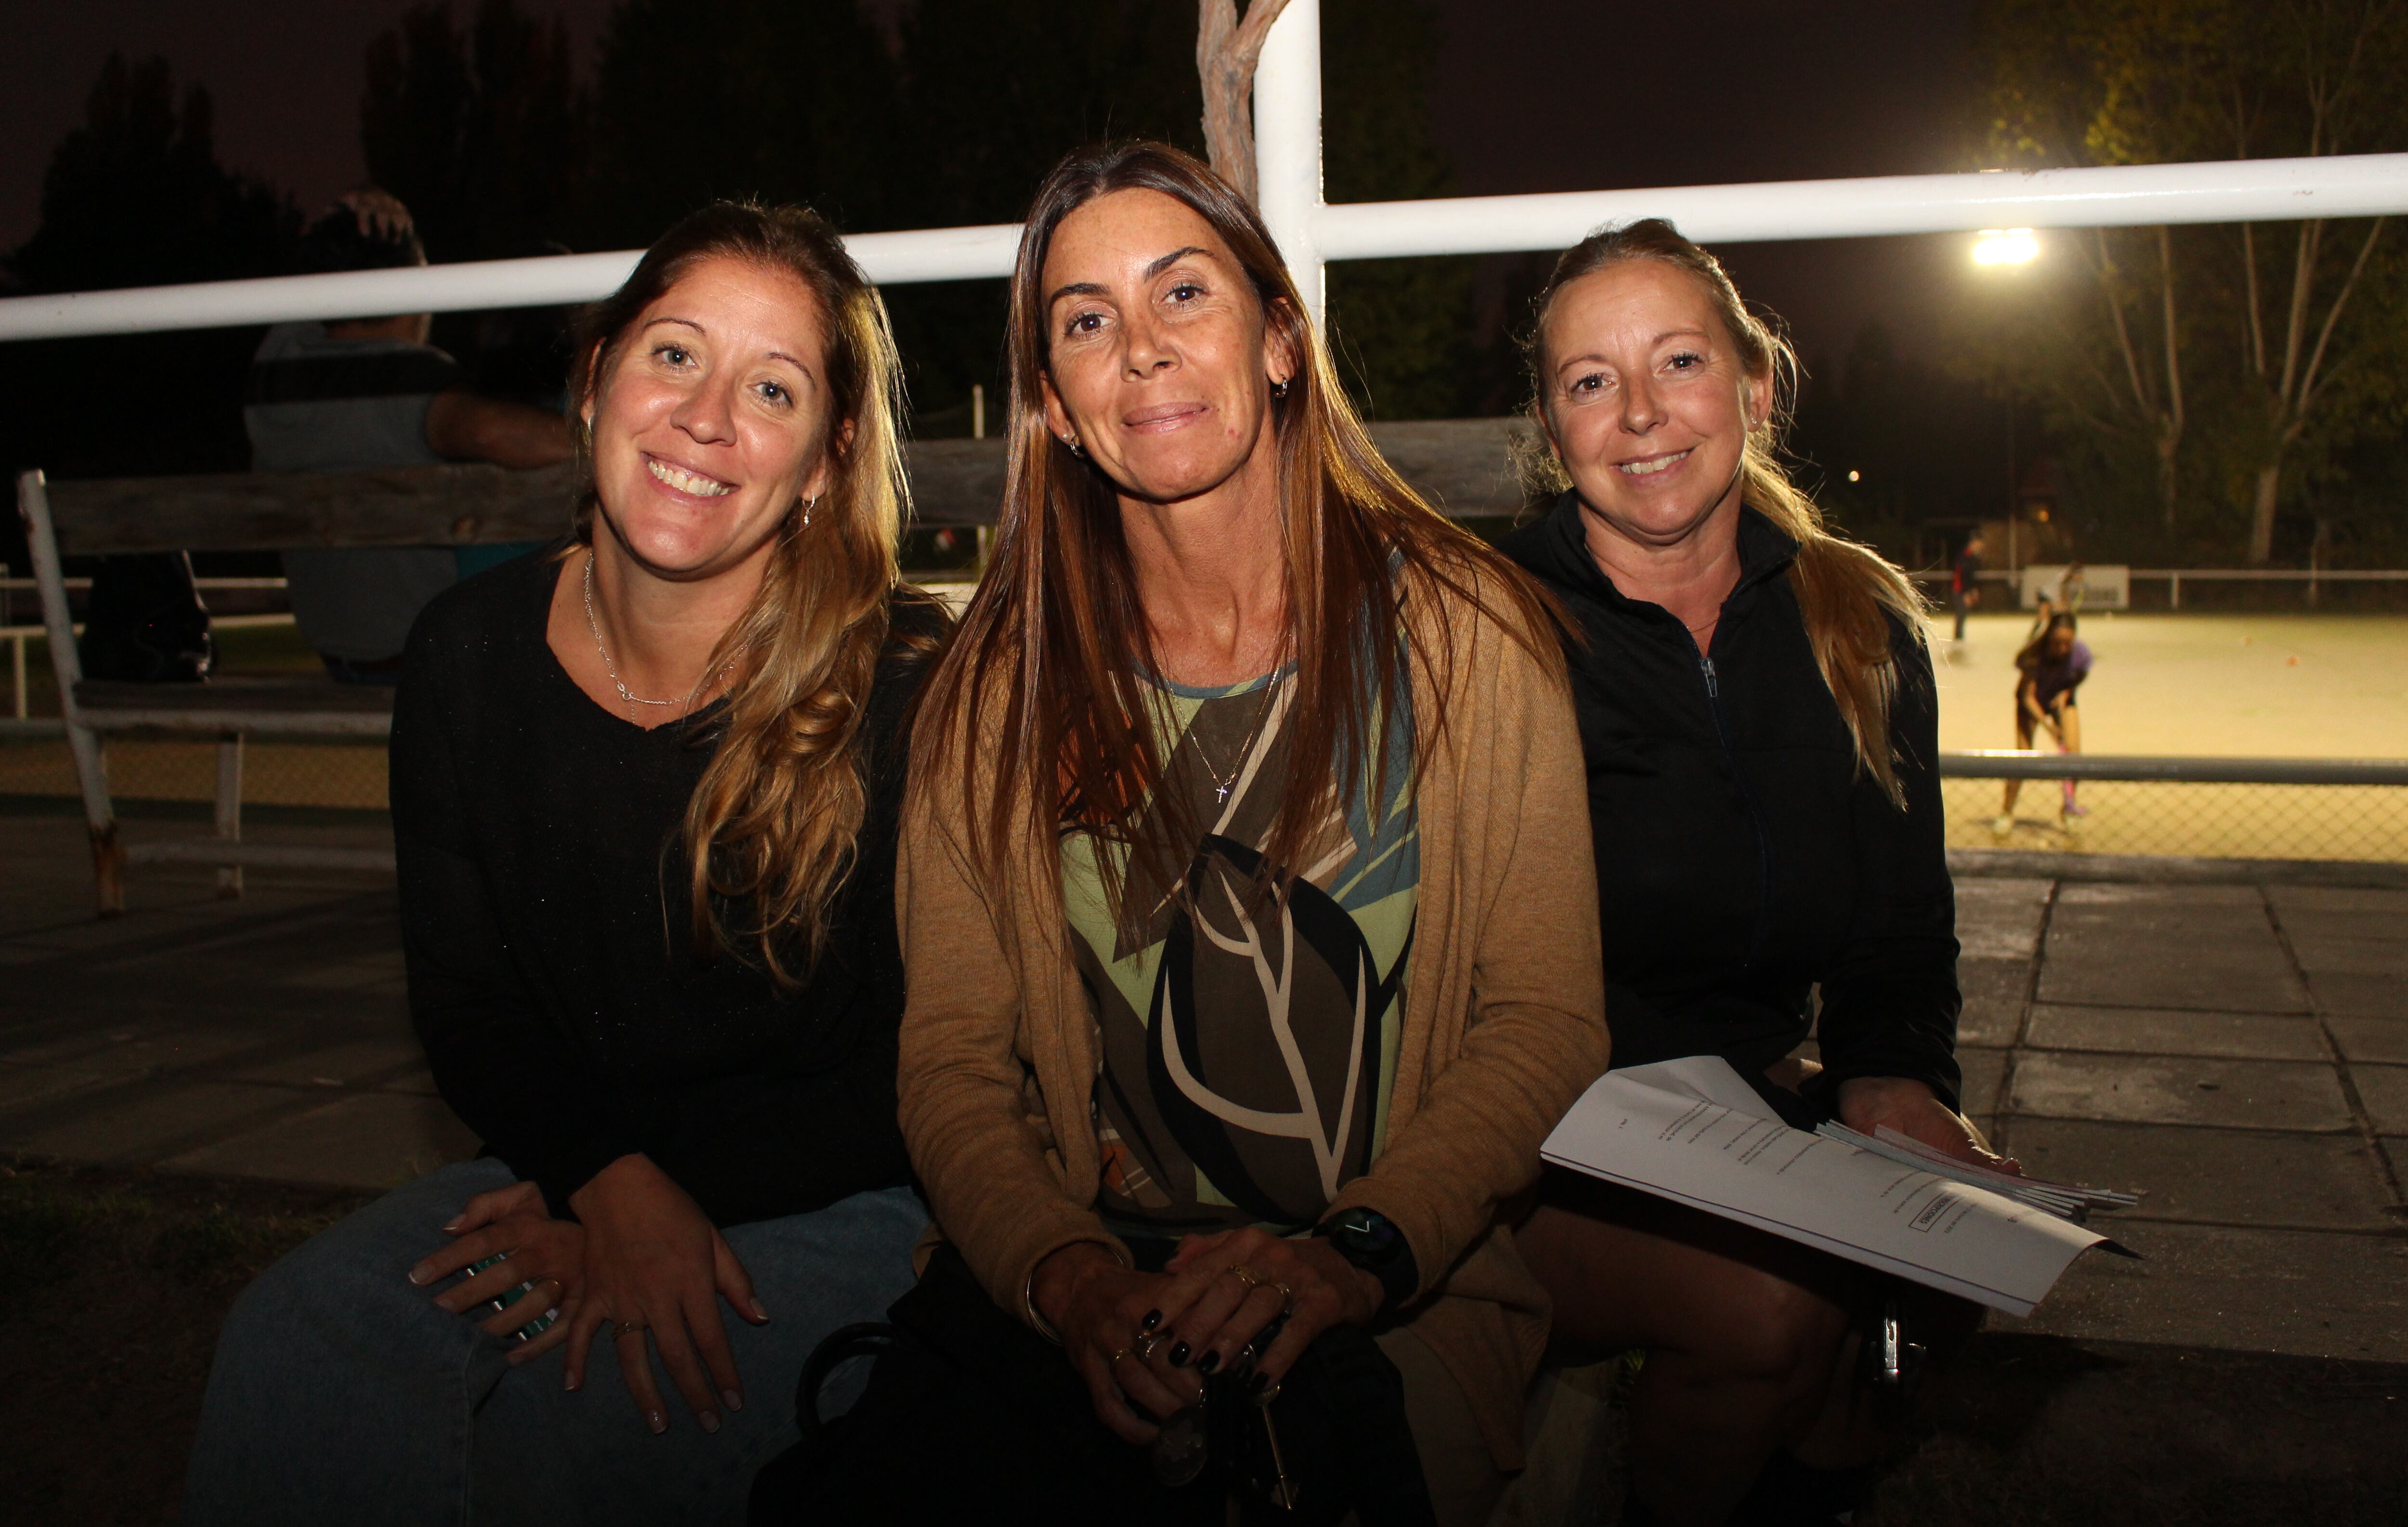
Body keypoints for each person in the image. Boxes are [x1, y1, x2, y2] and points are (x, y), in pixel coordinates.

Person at [183, 202, 942, 1526]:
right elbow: (471, 1007)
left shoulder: (903, 693)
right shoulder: (466, 654)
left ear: (824, 460)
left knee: (569, 1426)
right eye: (673, 355)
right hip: (575, 1165)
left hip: (853, 1189)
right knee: (293, 1348)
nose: (706, 416)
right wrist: (606, 1185)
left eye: (771, 387)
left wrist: (650, 1206)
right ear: (593, 378)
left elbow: (927, 1064)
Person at [894, 142, 1609, 1525]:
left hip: (1395, 1293)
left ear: (1280, 341)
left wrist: (1350, 1255)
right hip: (1105, 1283)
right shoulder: (997, 692)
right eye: (1087, 321)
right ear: (1052, 401)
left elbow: (1544, 1021)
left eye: (1184, 294)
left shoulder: (1466, 637)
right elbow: (951, 1065)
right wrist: (1069, 1275)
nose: (1142, 351)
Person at [1495, 219, 2006, 1527]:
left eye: (1679, 361)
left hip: (1754, 1114)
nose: (1643, 413)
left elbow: (1899, 932)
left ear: (1757, 385)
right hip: (1528, 1133)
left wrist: (1897, 1080)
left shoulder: (1855, 616)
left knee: (1931, 1276)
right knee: (1779, 1306)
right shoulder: (1490, 630)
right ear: (1554, 430)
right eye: (1591, 381)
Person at [246, 189, 571, 684]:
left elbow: (299, 303)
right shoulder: (404, 377)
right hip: (421, 662)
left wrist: (348, 222)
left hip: (336, 651)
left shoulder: (271, 378)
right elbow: (487, 432)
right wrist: (622, 436)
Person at [1997, 611, 2091, 834]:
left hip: (2060, 699)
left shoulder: (2081, 653)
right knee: (2023, 757)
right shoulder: (2034, 654)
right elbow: (2028, 697)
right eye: (2058, 643)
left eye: (2068, 643)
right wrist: (2050, 728)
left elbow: (2080, 675)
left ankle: (2068, 810)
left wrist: (2067, 692)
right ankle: (2006, 813)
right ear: (2049, 636)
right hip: (2030, 703)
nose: (2063, 649)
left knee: (2074, 756)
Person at [1948, 528, 1984, 641]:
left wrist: (1974, 590)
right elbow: (1962, 576)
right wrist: (1966, 594)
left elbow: (1971, 577)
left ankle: (1960, 638)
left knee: (1963, 616)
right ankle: (1958, 639)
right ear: (1974, 543)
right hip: (1959, 590)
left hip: (1963, 590)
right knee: (1961, 616)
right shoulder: (1964, 556)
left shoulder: (1972, 557)